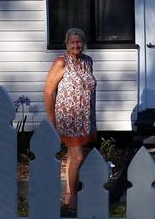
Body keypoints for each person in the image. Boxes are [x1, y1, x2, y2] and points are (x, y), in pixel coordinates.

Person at [44, 28, 97, 211]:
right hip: (68, 118)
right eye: (72, 42)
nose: (76, 45)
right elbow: (49, 91)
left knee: (72, 157)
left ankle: (67, 197)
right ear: (66, 44)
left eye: (79, 41)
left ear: (83, 43)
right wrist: (51, 119)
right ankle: (73, 199)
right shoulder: (61, 62)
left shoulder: (88, 61)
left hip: (85, 118)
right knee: (78, 157)